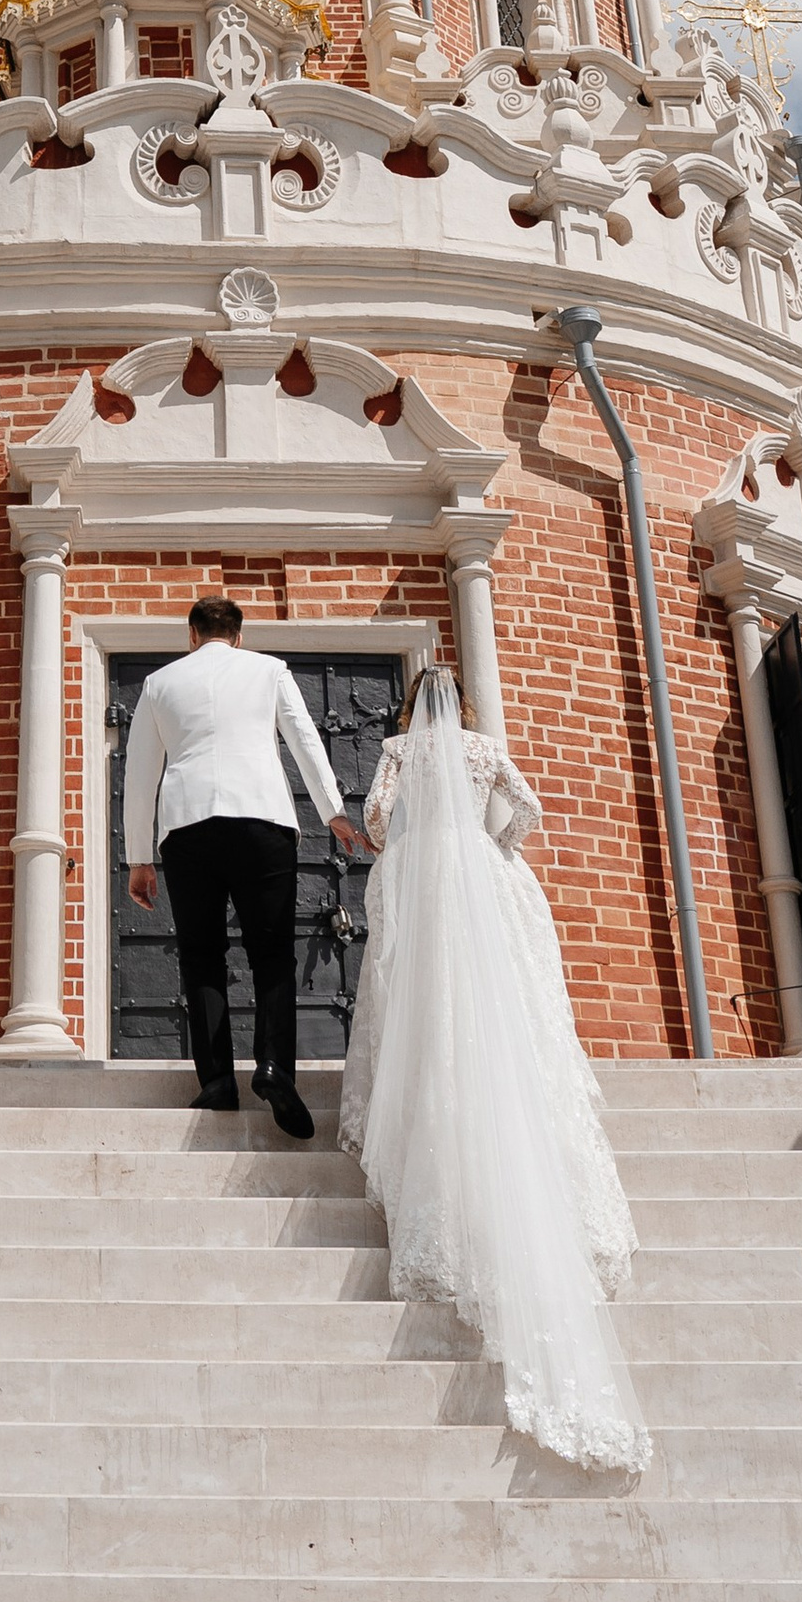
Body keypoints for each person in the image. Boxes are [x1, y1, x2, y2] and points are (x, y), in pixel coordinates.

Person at [339, 665, 648, 1478]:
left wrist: (406, 841)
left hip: (423, 881)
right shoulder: (483, 749)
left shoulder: (401, 749)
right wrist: (493, 847)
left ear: (408, 706)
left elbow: (374, 822)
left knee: (431, 1009)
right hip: (481, 875)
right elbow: (532, 812)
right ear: (465, 706)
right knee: (502, 1011)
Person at [122, 595, 368, 1137]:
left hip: (188, 826)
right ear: (238, 634)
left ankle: (216, 1082)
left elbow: (139, 772)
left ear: (192, 635)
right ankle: (275, 1066)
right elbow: (305, 739)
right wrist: (333, 811)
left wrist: (138, 856)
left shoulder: (159, 683)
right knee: (272, 951)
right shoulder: (269, 670)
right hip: (262, 819)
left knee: (202, 954)